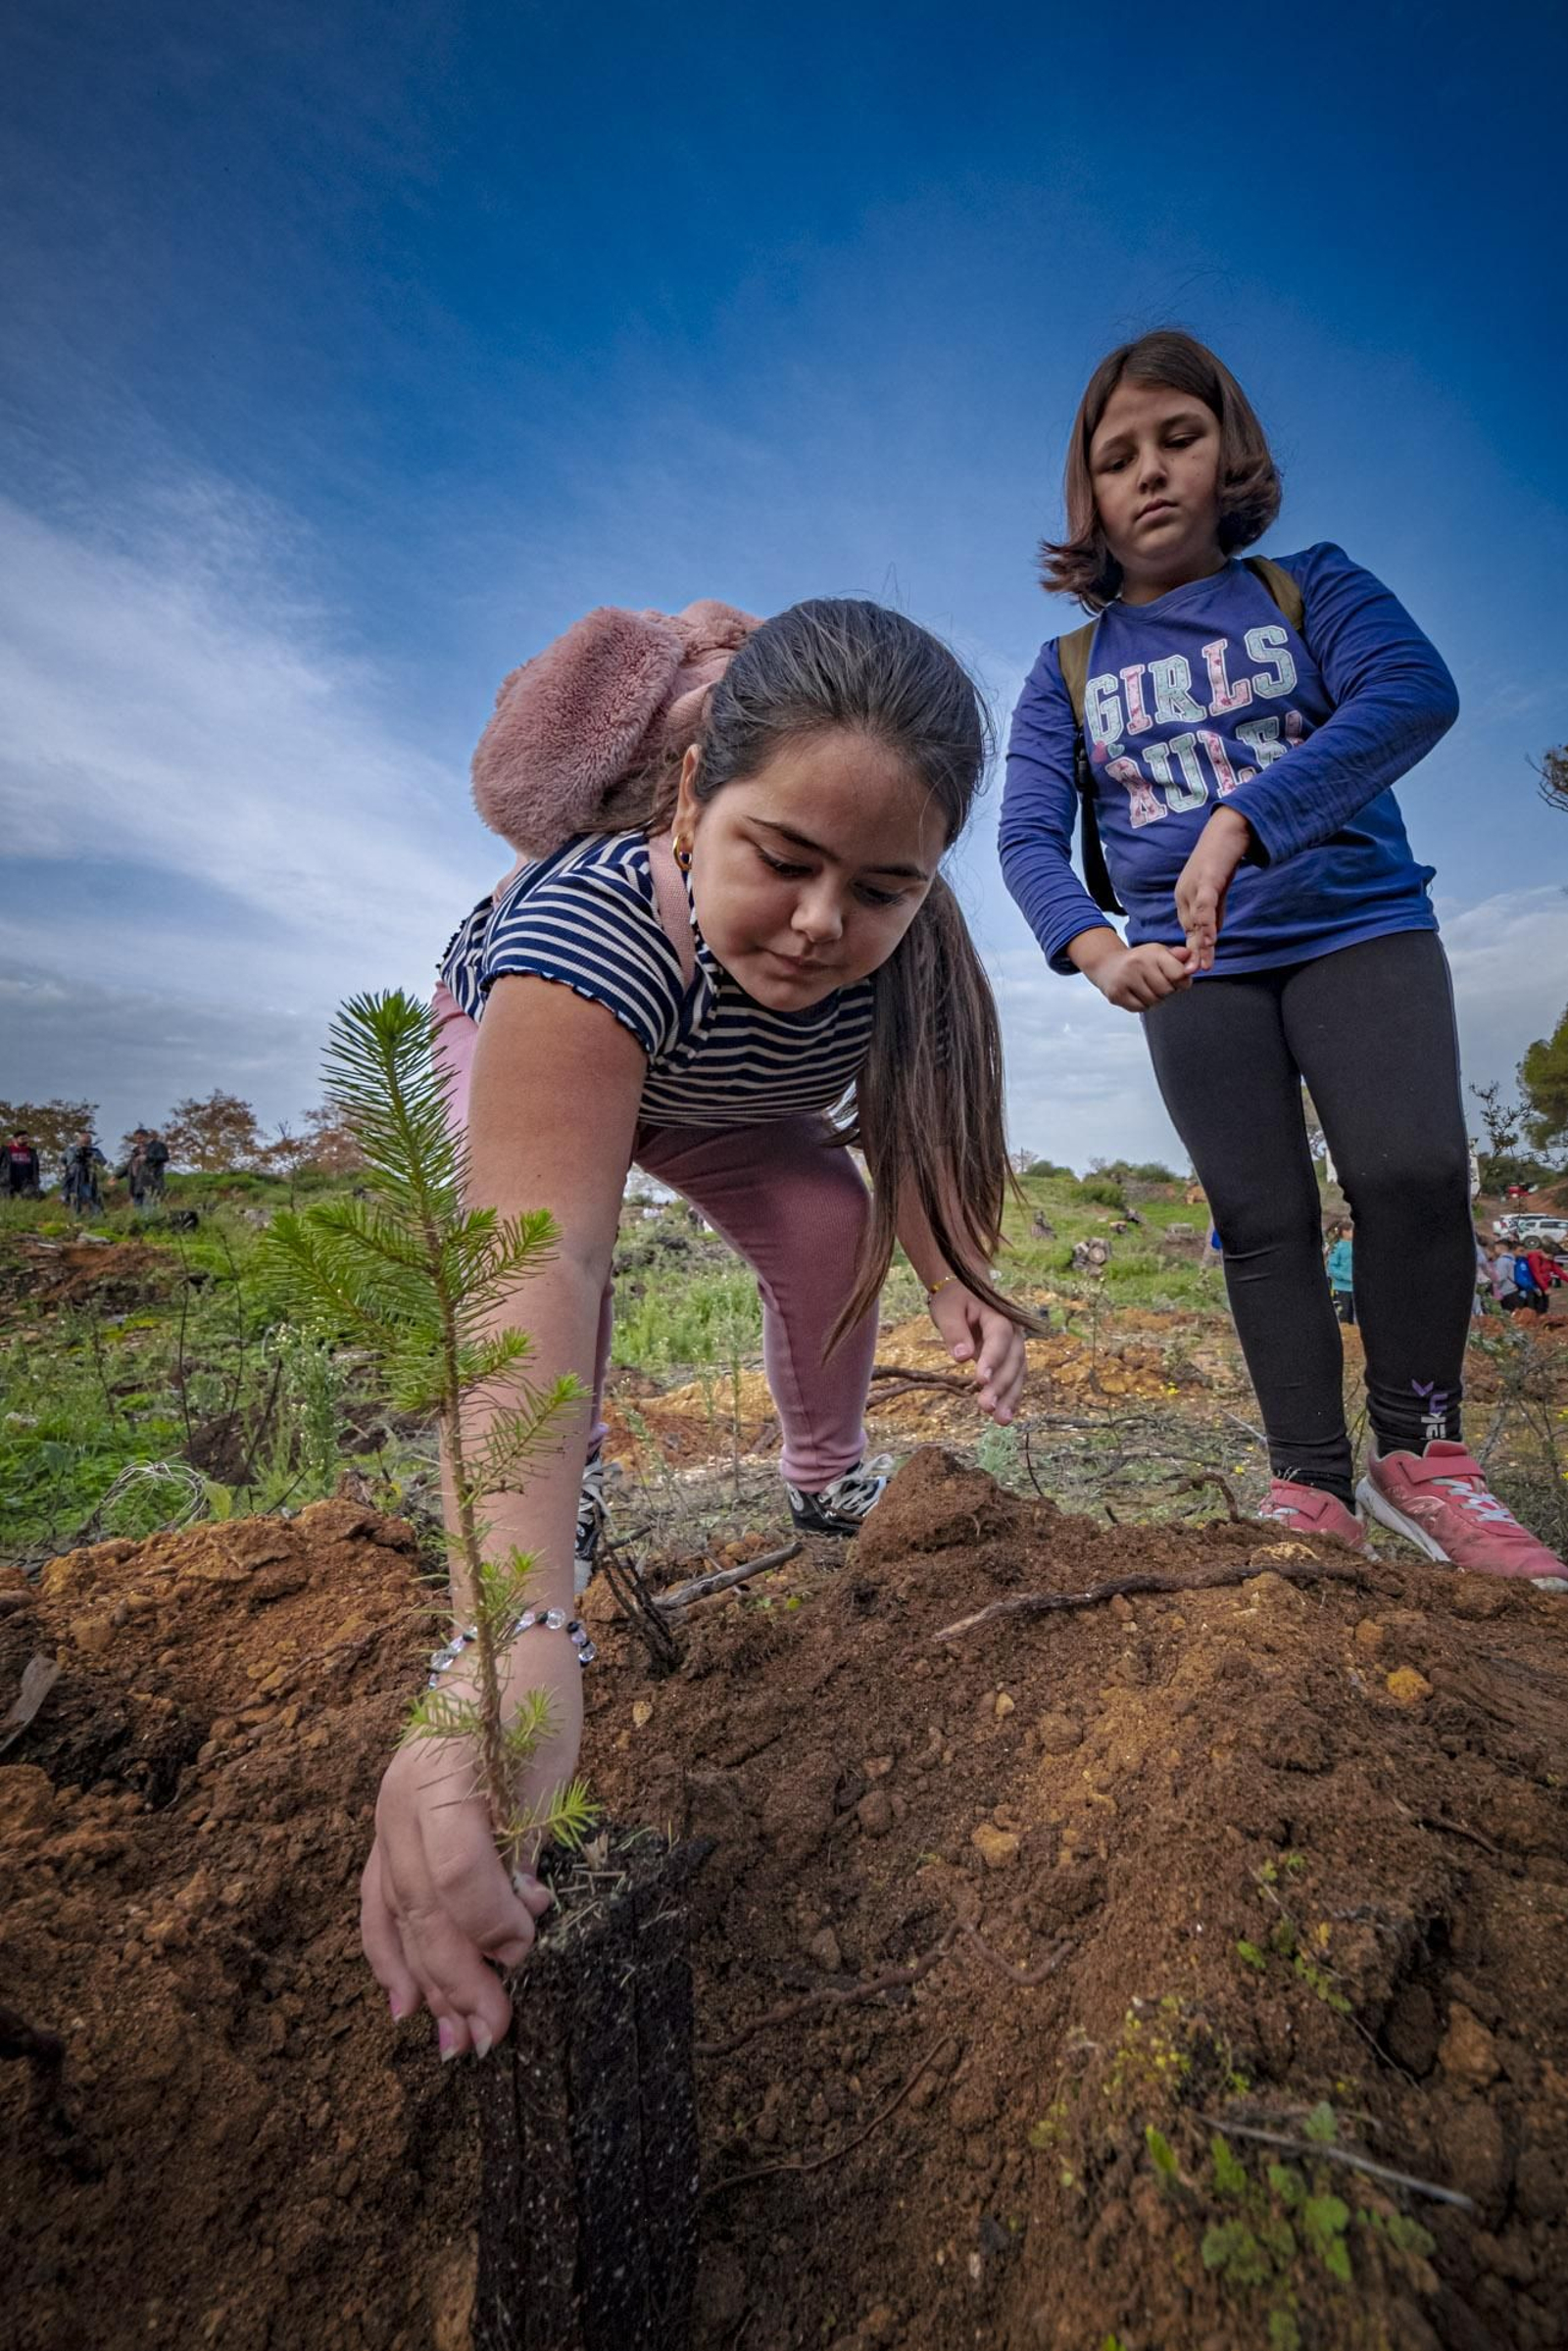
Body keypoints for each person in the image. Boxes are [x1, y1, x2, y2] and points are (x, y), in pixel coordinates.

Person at [365, 595, 1036, 2056]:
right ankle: (571, 1492)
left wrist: (954, 1277)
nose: (818, 922)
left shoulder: (899, 954)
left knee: (827, 1229)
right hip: (560, 1050)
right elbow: (537, 1267)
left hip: (727, 1094)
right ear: (690, 796)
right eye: (780, 859)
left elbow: (907, 1138)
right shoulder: (581, 933)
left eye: (877, 888)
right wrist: (512, 1631)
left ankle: (825, 1468)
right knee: (558, 1325)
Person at [1000, 327, 1566, 1587]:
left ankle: (1425, 1460)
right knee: (1262, 1221)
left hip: (1358, 923)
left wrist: (1243, 816)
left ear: (1229, 453)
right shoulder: (1069, 671)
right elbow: (1026, 835)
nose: (1150, 474)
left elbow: (1412, 692)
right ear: (1085, 497)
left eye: (1178, 439)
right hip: (1192, 975)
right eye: (1116, 458)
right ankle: (1311, 1482)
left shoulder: (1307, 587)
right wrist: (1096, 950)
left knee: (1413, 1173)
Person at [62, 1131, 106, 1214]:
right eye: (83, 1142)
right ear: (78, 1141)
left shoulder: (94, 1151)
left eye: (88, 1142)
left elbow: (103, 1162)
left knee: (92, 1199)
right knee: (74, 1200)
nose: (85, 1145)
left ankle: (96, 1219)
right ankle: (76, 1219)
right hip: (73, 1180)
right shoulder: (70, 1150)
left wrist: (94, 1159)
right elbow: (62, 1161)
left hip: (88, 1179)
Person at [1325, 1221, 1355, 1325]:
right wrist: (1346, 1276)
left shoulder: (1356, 1245)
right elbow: (1331, 1267)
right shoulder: (1337, 1247)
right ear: (1344, 1232)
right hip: (1342, 1288)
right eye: (1351, 1230)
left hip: (1355, 1287)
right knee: (1344, 1313)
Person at [4, 1131, 41, 1198]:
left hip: (26, 1182)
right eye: (22, 1138)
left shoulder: (32, 1153)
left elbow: (36, 1170)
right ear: (14, 1139)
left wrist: (36, 1183)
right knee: (7, 1197)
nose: (25, 1140)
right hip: (7, 1181)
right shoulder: (5, 1151)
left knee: (36, 1195)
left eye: (27, 1138)